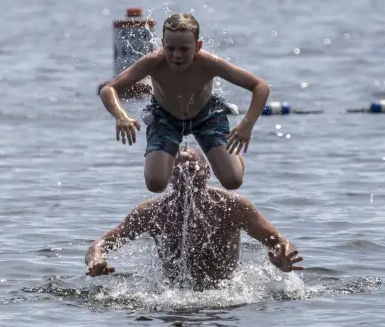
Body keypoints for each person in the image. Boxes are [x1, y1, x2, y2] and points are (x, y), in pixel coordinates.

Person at [85, 147, 303, 290]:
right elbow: (100, 244)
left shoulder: (232, 206)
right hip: (174, 295)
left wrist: (283, 259)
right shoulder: (151, 212)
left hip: (224, 294)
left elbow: (279, 240)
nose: (185, 175)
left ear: (208, 172)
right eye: (176, 169)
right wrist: (96, 259)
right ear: (166, 175)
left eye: (191, 168)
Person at [99, 12, 271, 193]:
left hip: (206, 115)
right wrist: (121, 116)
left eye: (184, 49)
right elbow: (108, 89)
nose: (176, 55)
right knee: (156, 185)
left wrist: (247, 124)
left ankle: (231, 159)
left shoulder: (210, 63)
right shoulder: (152, 62)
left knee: (232, 181)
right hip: (165, 117)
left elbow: (260, 86)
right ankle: (177, 155)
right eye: (170, 48)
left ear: (198, 46)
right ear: (162, 43)